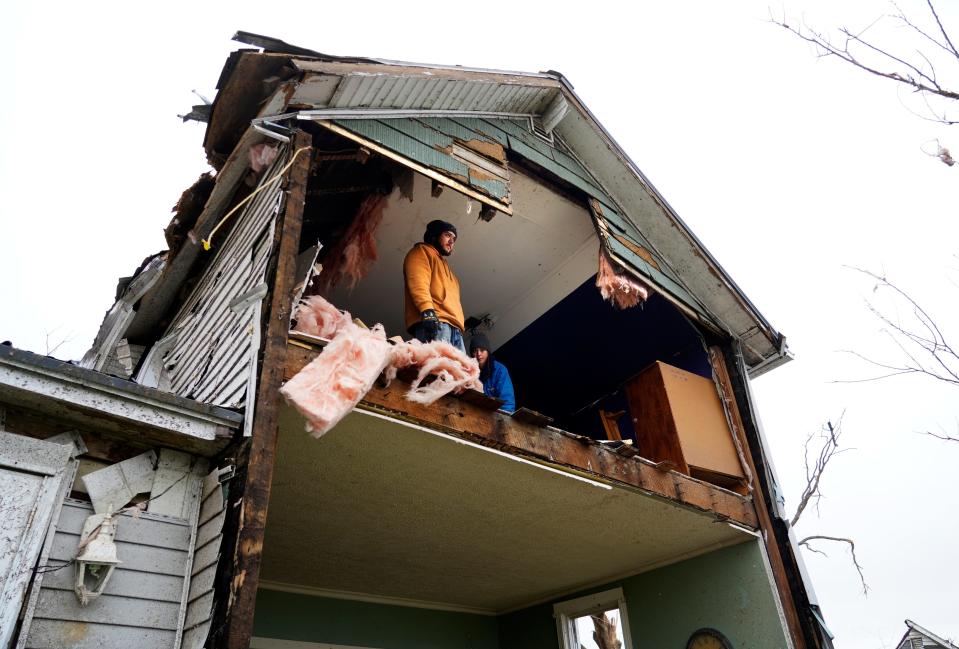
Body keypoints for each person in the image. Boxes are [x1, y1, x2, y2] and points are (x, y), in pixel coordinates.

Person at [404, 220, 466, 353]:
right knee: (436, 371)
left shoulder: (452, 275)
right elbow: (418, 281)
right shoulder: (421, 252)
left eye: (454, 239)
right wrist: (428, 311)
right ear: (434, 235)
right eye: (448, 235)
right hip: (436, 322)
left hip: (456, 329)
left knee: (458, 373)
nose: (451, 241)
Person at [469, 333, 516, 413]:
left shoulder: (500, 370)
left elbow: (508, 404)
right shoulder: (470, 372)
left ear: (488, 351)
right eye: (475, 351)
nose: (478, 354)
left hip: (497, 416)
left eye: (482, 350)